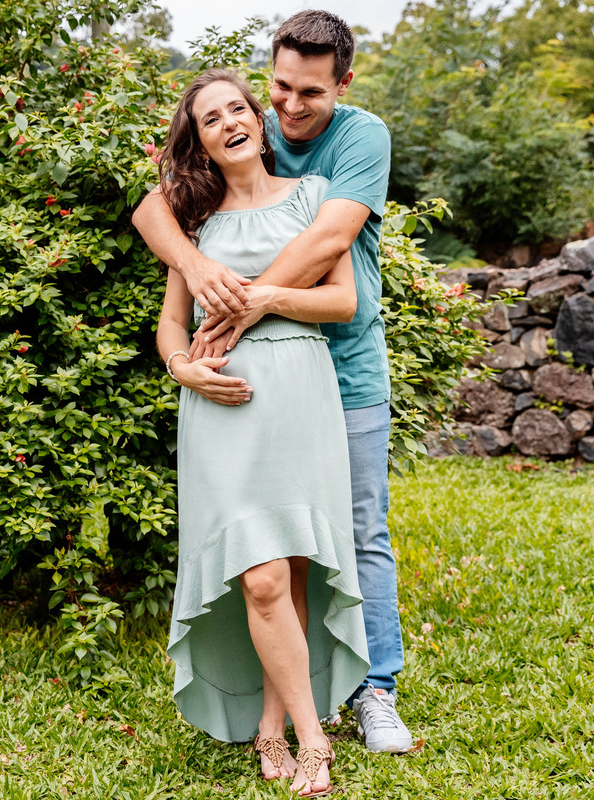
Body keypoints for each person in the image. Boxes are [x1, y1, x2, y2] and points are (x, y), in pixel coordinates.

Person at [134, 10, 414, 756]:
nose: (290, 108)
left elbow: (331, 244)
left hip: (337, 378)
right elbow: (151, 212)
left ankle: (372, 692)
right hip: (230, 409)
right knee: (264, 564)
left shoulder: (350, 147)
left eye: (309, 94)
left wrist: (248, 304)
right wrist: (194, 286)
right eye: (280, 89)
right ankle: (279, 721)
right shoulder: (215, 185)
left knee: (356, 537)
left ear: (342, 85)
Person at [151, 67, 368, 798]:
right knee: (261, 574)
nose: (229, 123)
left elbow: (341, 303)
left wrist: (265, 302)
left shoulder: (311, 198)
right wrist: (183, 370)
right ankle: (316, 740)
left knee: (294, 569)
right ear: (201, 143)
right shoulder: (195, 224)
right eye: (210, 120)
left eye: (238, 109)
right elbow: (171, 325)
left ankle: (274, 727)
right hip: (222, 409)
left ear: (258, 118)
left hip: (300, 392)